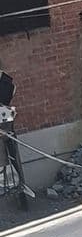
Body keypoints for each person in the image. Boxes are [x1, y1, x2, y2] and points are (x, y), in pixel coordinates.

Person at [0, 69, 35, 205]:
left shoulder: (6, 84)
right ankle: (19, 191)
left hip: (6, 128)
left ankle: (20, 192)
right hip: (7, 128)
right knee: (13, 159)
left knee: (12, 158)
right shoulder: (7, 83)